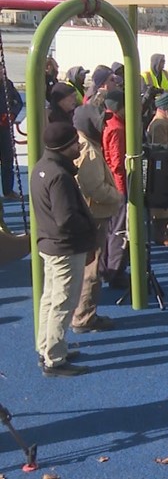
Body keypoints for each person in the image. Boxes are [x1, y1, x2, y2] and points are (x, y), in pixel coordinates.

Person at [31, 122, 97, 376]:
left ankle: (46, 346)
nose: (79, 147)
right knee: (63, 302)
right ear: (63, 147)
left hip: (50, 244)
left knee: (49, 298)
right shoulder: (59, 176)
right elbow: (66, 218)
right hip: (65, 248)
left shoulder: (42, 168)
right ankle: (55, 358)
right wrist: (88, 227)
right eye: (74, 144)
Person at [70, 105, 120, 334]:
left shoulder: (86, 144)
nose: (103, 125)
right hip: (95, 214)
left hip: (91, 213)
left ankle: (82, 312)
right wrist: (116, 196)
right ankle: (84, 316)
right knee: (91, 268)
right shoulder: (88, 150)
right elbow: (94, 187)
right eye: (100, 121)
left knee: (87, 266)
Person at [100, 90, 130, 289]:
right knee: (119, 231)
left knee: (108, 230)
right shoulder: (118, 128)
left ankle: (105, 268)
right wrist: (122, 191)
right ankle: (116, 272)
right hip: (118, 185)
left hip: (108, 183)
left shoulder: (107, 123)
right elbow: (118, 163)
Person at [146, 92, 168, 246]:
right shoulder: (159, 124)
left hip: (167, 167)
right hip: (163, 169)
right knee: (163, 205)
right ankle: (161, 234)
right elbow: (161, 149)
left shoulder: (163, 122)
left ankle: (165, 232)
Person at [0, 63, 24, 201]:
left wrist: (11, 115)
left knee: (7, 159)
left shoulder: (7, 84)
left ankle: (8, 190)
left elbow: (18, 102)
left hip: (5, 128)